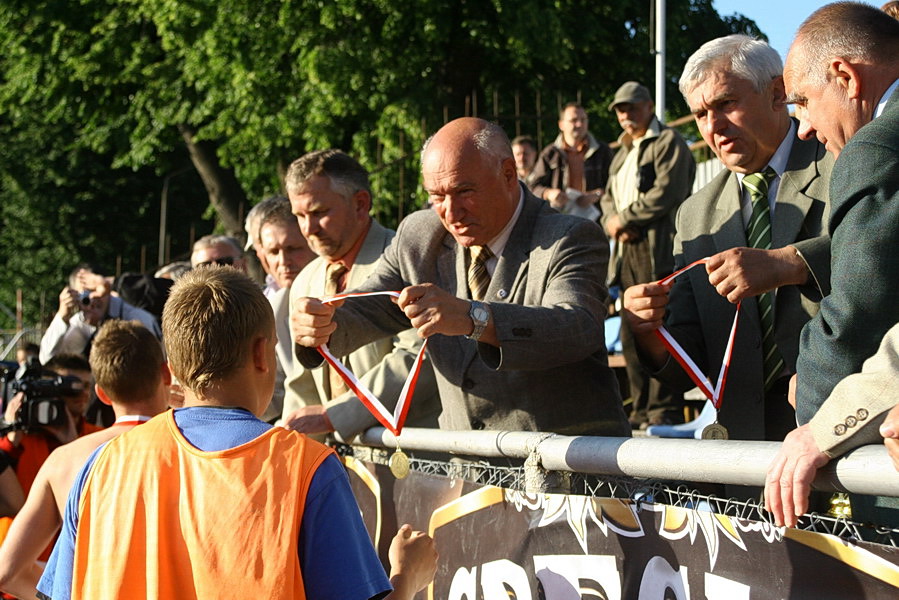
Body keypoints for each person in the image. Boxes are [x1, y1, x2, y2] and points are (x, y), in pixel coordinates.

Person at [37, 267, 436, 600]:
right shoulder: (305, 468)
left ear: (172, 366)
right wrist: (406, 577)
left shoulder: (101, 467)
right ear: (263, 354)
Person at [292, 118, 630, 437]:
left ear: (509, 174)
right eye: (436, 197)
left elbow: (576, 328)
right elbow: (368, 308)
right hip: (469, 473)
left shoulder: (570, 236)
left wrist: (475, 318)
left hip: (569, 473)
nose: (450, 214)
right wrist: (321, 322)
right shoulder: (419, 236)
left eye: (464, 191)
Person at [622, 35, 833, 444]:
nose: (713, 127)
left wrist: (791, 264)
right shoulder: (695, 214)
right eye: (700, 114)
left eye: (725, 105)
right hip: (744, 446)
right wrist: (647, 330)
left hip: (840, 436)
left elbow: (880, 260)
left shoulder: (839, 163)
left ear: (777, 93)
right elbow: (690, 351)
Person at [763, 2, 899, 528]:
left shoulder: (877, 146)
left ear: (844, 75)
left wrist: (816, 417)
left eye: (800, 103)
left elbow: (859, 315)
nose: (801, 129)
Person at [0, 320, 170, 600]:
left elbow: (8, 570)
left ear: (100, 392)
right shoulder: (198, 447)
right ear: (166, 374)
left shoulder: (64, 460)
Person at [280, 150, 440, 439]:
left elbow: (419, 358)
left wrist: (336, 416)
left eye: (318, 213)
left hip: (412, 457)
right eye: (299, 216)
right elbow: (302, 384)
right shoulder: (305, 280)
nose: (308, 229)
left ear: (360, 204)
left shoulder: (408, 258)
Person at [600, 81, 696, 429]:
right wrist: (613, 222)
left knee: (661, 325)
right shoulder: (622, 152)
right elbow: (608, 196)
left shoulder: (669, 141)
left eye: (631, 107)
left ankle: (664, 410)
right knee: (630, 330)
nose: (625, 115)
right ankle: (640, 411)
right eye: (620, 110)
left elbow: (667, 192)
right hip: (626, 250)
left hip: (659, 247)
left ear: (649, 106)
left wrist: (622, 220)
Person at [248, 196, 317, 424]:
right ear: (262, 256)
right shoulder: (270, 308)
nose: (284, 261)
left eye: (293, 248)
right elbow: (273, 393)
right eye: (274, 251)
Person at [38, 266, 162, 364]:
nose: (92, 300)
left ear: (106, 288)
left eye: (95, 290)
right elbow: (47, 358)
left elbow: (151, 363)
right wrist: (62, 316)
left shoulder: (135, 316)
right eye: (84, 296)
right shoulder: (80, 322)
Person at [530, 102, 613, 219]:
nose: (579, 124)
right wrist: (549, 193)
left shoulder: (602, 151)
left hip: (596, 220)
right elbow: (532, 186)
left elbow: (615, 185)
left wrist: (597, 194)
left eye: (583, 120)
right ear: (561, 124)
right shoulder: (550, 153)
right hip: (559, 219)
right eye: (573, 120)